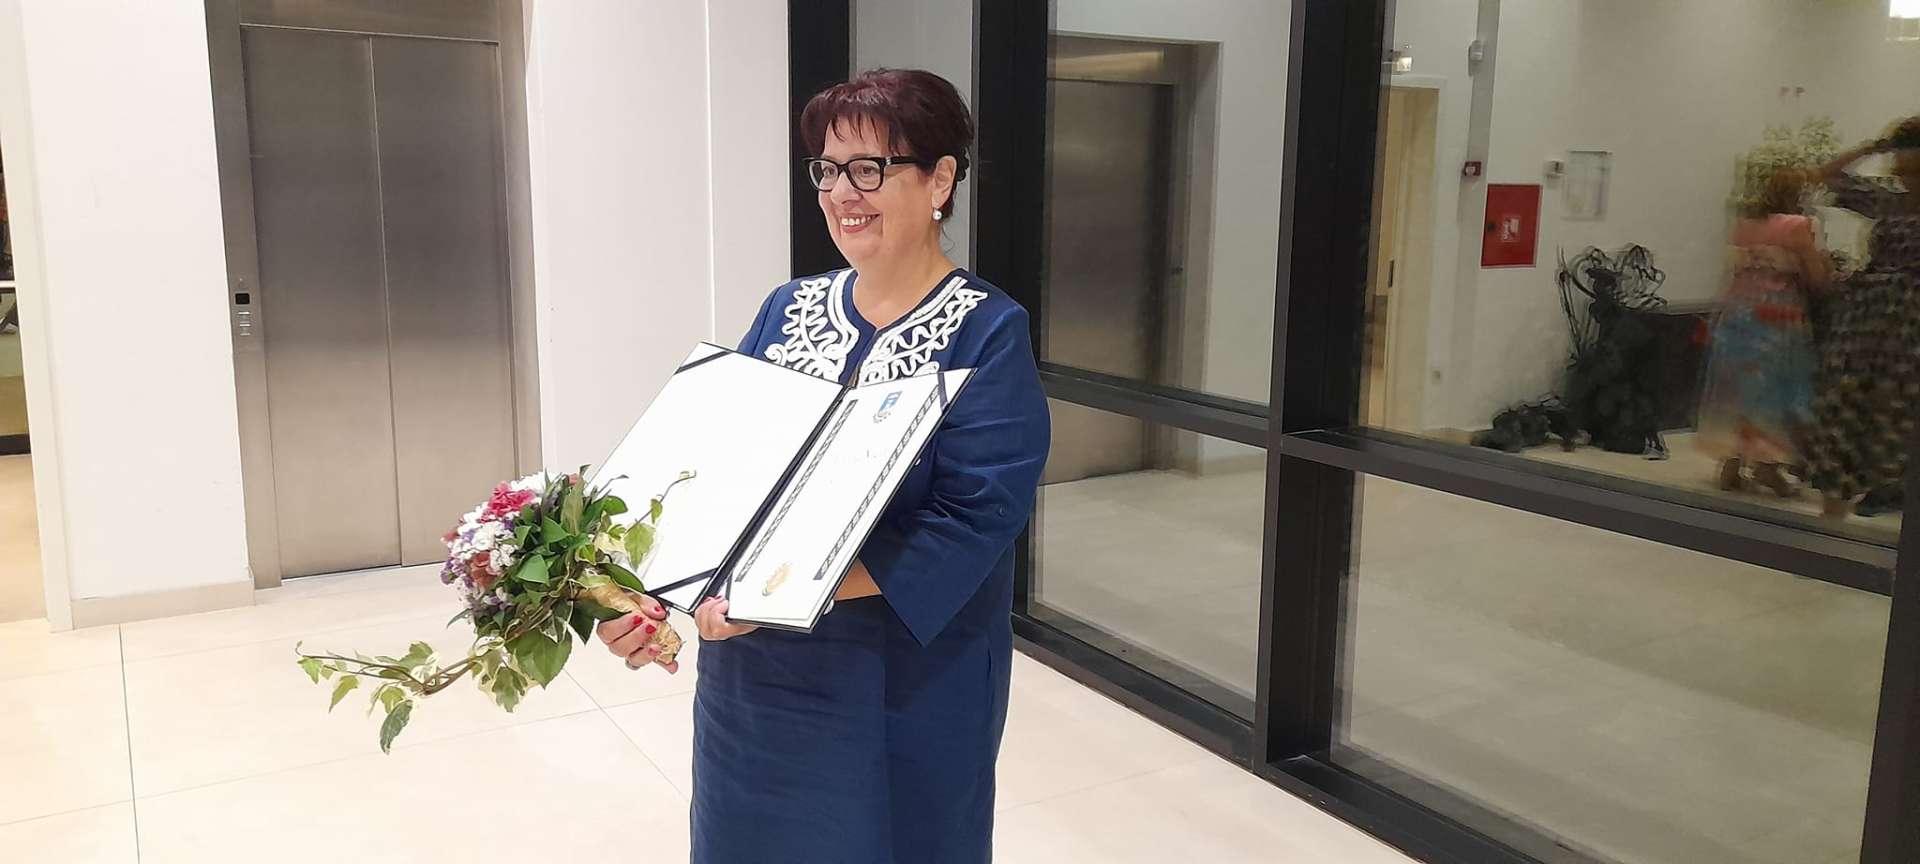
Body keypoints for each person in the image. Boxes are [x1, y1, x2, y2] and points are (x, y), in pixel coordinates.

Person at [595, 69, 1050, 863]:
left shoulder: (986, 330)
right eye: (828, 170)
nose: (843, 193)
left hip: (902, 677)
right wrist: (642, 591)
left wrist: (784, 592)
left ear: (940, 179)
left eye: (869, 168)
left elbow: (975, 517)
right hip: (754, 677)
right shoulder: (789, 308)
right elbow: (716, 470)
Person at [1803, 115, 1920, 518]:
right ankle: (1833, 509)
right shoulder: (1889, 200)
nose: (1904, 176)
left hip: (1909, 321)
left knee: (1895, 408)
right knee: (1842, 403)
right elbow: (1827, 176)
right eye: (1901, 168)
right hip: (1866, 316)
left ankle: (1890, 488)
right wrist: (1874, 147)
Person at [1697, 168, 1829, 497]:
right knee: (1775, 393)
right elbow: (1818, 278)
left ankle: (1731, 464)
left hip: (1738, 318)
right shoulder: (1798, 226)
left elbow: (1729, 275)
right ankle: (1767, 466)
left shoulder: (1744, 227)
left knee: (1738, 393)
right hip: (1776, 320)